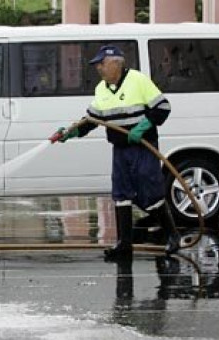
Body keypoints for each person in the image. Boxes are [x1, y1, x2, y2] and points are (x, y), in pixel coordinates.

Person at [54, 45, 180, 259]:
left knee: (150, 192)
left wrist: (143, 127)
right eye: (98, 66)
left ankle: (172, 235)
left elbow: (163, 107)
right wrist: (69, 133)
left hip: (143, 147)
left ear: (116, 64)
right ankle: (124, 244)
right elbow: (90, 120)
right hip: (121, 149)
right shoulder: (101, 89)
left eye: (102, 64)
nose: (99, 69)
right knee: (121, 194)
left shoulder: (137, 80)